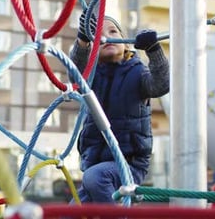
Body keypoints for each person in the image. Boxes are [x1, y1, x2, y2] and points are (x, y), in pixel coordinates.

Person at [69, 10, 169, 203]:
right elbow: (75, 75)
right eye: (99, 35)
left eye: (113, 31)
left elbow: (161, 85)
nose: (107, 37)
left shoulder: (138, 72)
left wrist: (154, 50)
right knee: (71, 211)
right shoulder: (92, 75)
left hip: (128, 163)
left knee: (96, 178)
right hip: (95, 164)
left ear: (126, 43)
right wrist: (82, 41)